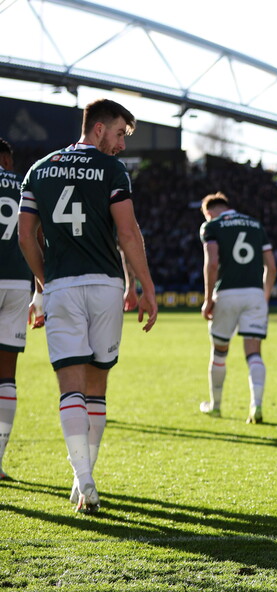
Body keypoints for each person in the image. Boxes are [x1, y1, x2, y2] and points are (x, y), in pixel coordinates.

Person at [18, 99, 158, 514]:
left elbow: (27, 237)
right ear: (98, 129)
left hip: (62, 285)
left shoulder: (38, 170)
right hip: (105, 286)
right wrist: (146, 286)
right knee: (97, 388)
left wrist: (44, 282)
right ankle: (86, 481)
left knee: (70, 387)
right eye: (118, 134)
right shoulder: (112, 170)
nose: (120, 145)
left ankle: (84, 480)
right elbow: (128, 232)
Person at [198, 192, 276, 423]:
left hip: (227, 293)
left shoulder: (211, 226)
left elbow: (212, 263)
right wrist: (264, 296)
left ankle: (216, 406)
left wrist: (207, 299)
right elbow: (271, 266)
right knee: (254, 352)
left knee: (220, 352)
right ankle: (257, 406)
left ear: (210, 211)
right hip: (254, 294)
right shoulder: (255, 224)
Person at [0, 138, 43, 480]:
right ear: (6, 160)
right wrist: (40, 292)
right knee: (6, 377)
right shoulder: (26, 183)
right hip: (17, 284)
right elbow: (37, 236)